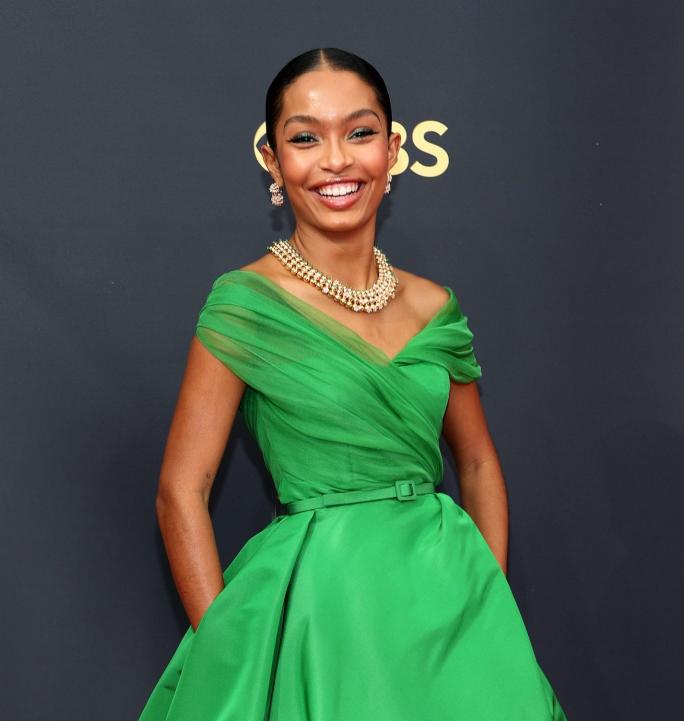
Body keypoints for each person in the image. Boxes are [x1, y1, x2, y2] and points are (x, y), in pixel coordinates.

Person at [136, 47, 568, 721]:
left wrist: (483, 594)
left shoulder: (434, 308)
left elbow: (478, 461)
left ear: (393, 149)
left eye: (359, 132)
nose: (335, 160)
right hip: (320, 612)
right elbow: (179, 490)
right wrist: (229, 640)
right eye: (305, 138)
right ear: (272, 160)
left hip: (447, 605)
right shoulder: (244, 303)